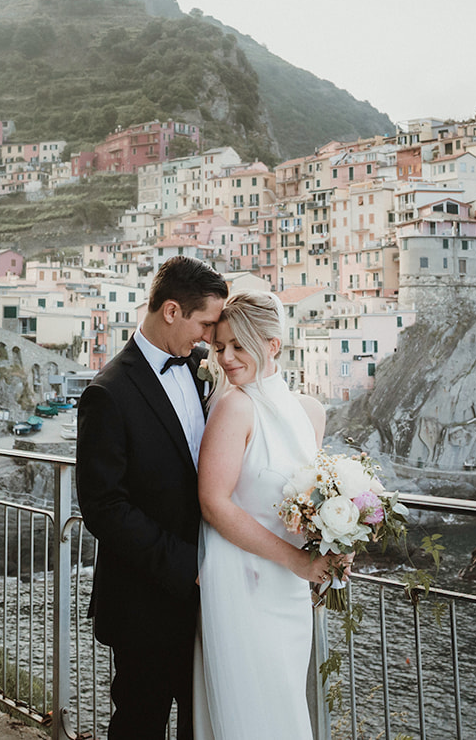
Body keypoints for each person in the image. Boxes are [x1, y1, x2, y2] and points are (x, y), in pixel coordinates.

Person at [76, 255, 229, 740]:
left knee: (199, 722)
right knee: (140, 722)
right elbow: (105, 507)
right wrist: (188, 565)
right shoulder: (108, 392)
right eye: (204, 322)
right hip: (146, 598)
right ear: (170, 311)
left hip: (208, 596)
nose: (208, 336)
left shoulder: (205, 367)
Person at [192, 291, 336, 740]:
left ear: (272, 344)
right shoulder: (235, 407)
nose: (227, 358)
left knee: (287, 703)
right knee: (253, 713)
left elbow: (313, 500)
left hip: (289, 590)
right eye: (220, 348)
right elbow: (214, 503)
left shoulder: (310, 411)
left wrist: (335, 543)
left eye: (239, 345)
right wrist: (294, 560)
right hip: (242, 581)